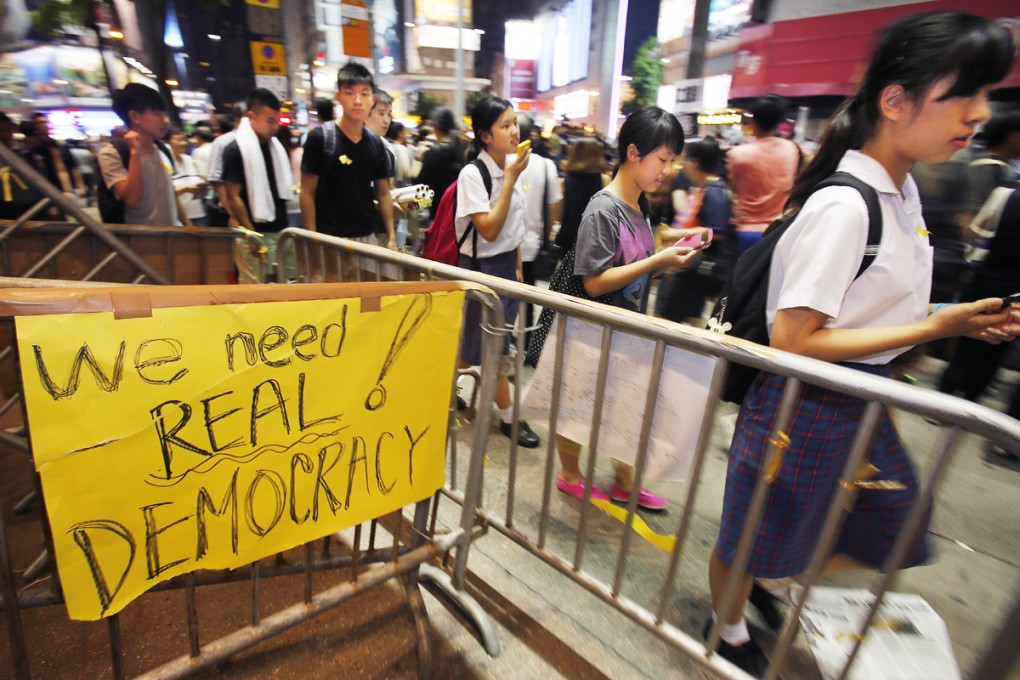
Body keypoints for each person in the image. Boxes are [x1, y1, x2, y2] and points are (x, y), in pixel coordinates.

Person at [706, 12, 1016, 677]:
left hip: (861, 397)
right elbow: (794, 340)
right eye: (962, 94)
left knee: (891, 523)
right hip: (804, 404)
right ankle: (726, 627)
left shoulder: (900, 191)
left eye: (984, 94)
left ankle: (766, 578)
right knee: (751, 535)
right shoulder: (848, 206)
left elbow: (867, 302)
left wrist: (946, 318)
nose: (981, 112)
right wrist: (936, 328)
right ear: (895, 100)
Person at [531, 106, 701, 511]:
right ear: (633, 153)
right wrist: (659, 261)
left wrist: (664, 257)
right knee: (576, 405)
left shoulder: (638, 204)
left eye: (672, 160)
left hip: (620, 326)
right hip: (587, 326)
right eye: (663, 159)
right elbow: (594, 281)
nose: (668, 169)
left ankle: (624, 482)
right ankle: (570, 475)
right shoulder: (603, 209)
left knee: (628, 406)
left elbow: (632, 273)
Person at [456, 95, 539, 448]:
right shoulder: (473, 174)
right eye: (504, 125)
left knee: (480, 346)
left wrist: (518, 268)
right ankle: (509, 417)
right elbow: (488, 229)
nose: (513, 130)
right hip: (480, 270)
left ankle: (446, 389)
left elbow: (513, 228)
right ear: (485, 135)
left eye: (514, 123)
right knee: (493, 347)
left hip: (504, 268)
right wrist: (509, 179)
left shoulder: (509, 168)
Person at [300, 61, 397, 250]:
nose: (358, 100)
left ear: (372, 98)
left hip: (367, 238)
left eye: (364, 94)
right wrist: (312, 239)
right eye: (350, 93)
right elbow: (307, 192)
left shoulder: (376, 144)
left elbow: (383, 193)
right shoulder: (321, 138)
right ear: (339, 97)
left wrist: (391, 237)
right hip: (329, 239)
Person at [654, 137, 735, 325]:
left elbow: (717, 231)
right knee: (693, 321)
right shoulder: (710, 188)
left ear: (694, 162)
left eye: (685, 160)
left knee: (662, 323)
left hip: (691, 269)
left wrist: (672, 234)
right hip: (692, 268)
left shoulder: (714, 191)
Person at [220, 88, 293, 283]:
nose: (275, 126)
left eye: (277, 120)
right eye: (270, 120)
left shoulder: (275, 147)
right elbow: (232, 196)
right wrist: (251, 234)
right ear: (251, 116)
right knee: (255, 288)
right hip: (253, 233)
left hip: (280, 230)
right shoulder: (235, 149)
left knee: (284, 286)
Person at [97, 84, 187, 227]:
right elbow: (133, 200)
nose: (165, 120)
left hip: (172, 238)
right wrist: (135, 152)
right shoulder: (112, 153)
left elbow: (171, 193)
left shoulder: (164, 149)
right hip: (138, 242)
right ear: (135, 116)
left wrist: (188, 226)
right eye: (157, 113)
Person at [727, 94, 800, 254]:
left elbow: (736, 190)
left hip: (746, 230)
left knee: (746, 276)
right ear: (779, 122)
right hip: (779, 229)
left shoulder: (738, 154)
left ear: (753, 121)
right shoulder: (792, 149)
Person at [516, 113, 563, 346]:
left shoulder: (499, 163)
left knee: (500, 297)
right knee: (526, 296)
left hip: (503, 245)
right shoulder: (546, 166)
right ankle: (524, 345)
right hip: (533, 244)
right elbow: (554, 204)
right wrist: (547, 231)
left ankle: (503, 345)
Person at [553, 138, 609, 255]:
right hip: (595, 240)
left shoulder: (565, 182)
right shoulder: (604, 180)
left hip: (568, 240)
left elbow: (558, 216)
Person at [415, 106, 465, 222]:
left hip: (437, 214)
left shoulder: (433, 153)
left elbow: (422, 187)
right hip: (456, 213)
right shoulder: (460, 151)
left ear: (435, 126)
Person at [167, 128, 208, 227]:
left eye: (184, 140)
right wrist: (186, 189)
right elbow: (165, 192)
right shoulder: (165, 162)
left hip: (198, 213)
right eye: (179, 140)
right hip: (178, 216)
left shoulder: (189, 159)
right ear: (167, 142)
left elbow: (197, 179)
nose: (184, 143)